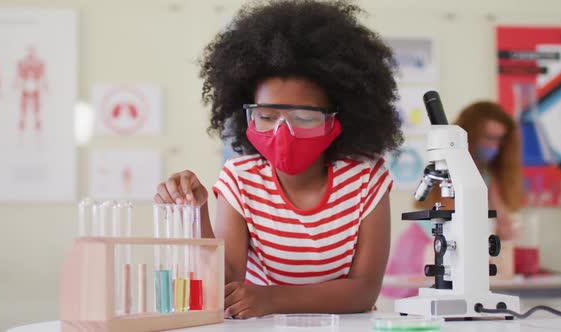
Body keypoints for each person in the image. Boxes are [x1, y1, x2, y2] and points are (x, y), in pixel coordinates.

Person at [154, 0, 403, 319]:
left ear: (338, 118)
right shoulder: (240, 179)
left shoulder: (365, 178)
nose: (283, 132)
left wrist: (273, 299)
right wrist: (196, 211)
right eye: (267, 116)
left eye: (304, 117)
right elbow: (226, 282)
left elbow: (363, 290)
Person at [382, 100, 521, 298]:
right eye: (488, 138)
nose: (493, 146)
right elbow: (446, 210)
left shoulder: (486, 177)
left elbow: (503, 224)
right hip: (423, 246)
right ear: (470, 135)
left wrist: (500, 214)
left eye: (499, 140)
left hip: (452, 250)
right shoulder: (447, 168)